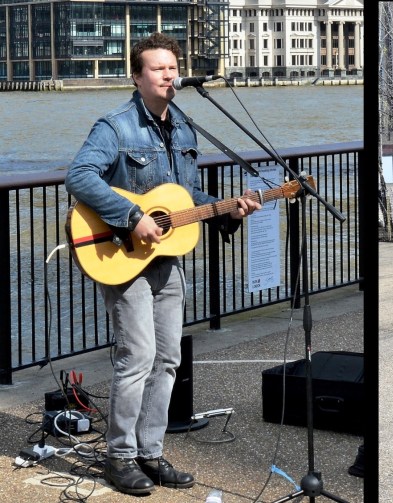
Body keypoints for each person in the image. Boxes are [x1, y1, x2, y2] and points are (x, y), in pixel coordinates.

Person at [64, 33, 261, 495]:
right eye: (159, 68)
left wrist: (227, 208)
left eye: (173, 67)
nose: (170, 75)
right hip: (123, 255)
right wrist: (132, 218)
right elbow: (79, 176)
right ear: (138, 77)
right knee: (137, 357)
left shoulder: (185, 128)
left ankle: (150, 452)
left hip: (168, 258)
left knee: (168, 358)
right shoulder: (114, 127)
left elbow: (181, 199)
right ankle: (119, 456)